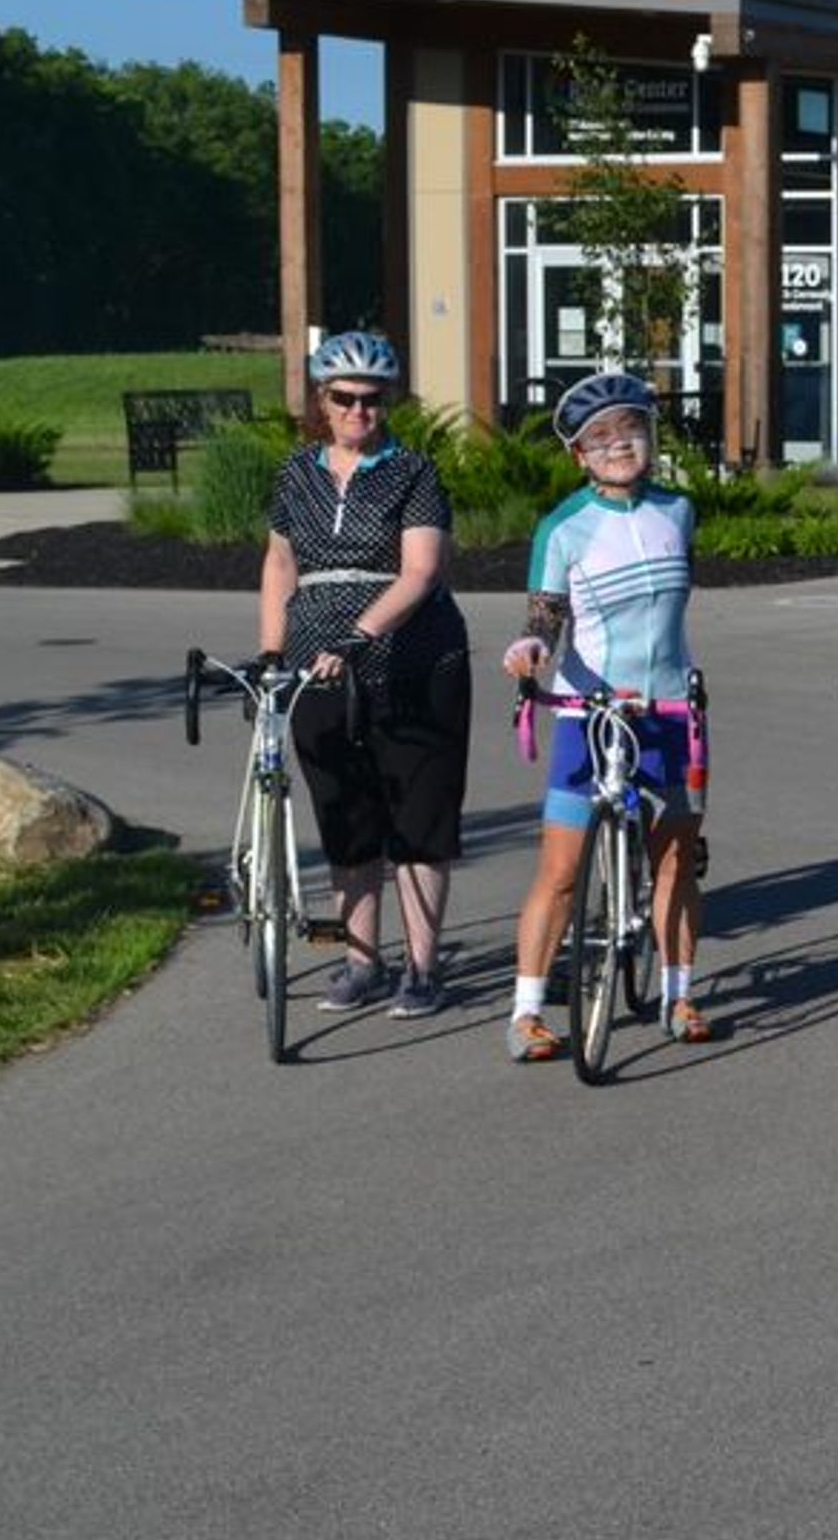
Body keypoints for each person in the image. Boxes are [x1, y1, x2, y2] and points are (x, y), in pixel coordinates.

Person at [257, 328, 471, 1018]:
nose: (358, 412)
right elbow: (280, 564)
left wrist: (359, 636)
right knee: (347, 817)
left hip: (414, 664)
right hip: (317, 672)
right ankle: (359, 962)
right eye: (344, 398)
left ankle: (421, 968)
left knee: (418, 819)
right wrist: (271, 655)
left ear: (390, 402)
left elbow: (421, 571)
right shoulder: (297, 474)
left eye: (373, 400)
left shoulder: (414, 474)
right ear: (322, 399)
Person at [500, 371, 713, 1059]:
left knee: (677, 861)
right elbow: (545, 616)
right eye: (600, 437)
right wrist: (532, 647)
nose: (619, 445)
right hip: (590, 715)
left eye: (631, 429)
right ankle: (528, 1010)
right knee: (560, 870)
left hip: (672, 708)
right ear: (578, 455)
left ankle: (680, 993)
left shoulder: (679, 510)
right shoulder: (563, 527)